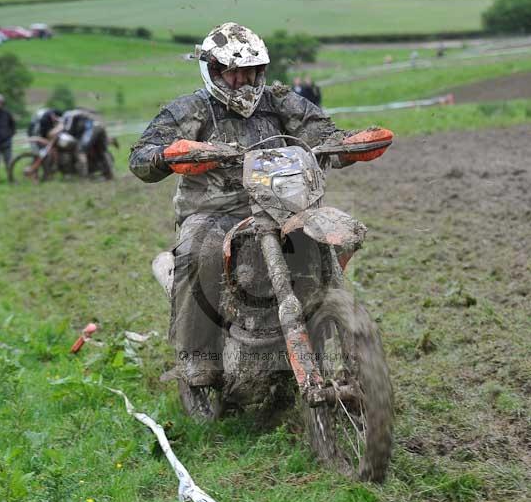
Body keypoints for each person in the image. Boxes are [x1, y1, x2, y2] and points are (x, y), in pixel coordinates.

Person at [129, 22, 381, 388]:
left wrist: (351, 143)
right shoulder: (191, 109)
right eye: (235, 73)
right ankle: (199, 354)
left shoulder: (281, 101)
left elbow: (321, 133)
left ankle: (331, 316)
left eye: (252, 71)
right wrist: (169, 155)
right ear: (214, 71)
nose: (244, 81)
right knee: (203, 251)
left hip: (286, 204)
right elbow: (140, 157)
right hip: (215, 212)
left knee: (340, 233)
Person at [0, 94, 16, 173]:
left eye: (0, 102)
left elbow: (13, 125)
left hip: (6, 142)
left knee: (9, 162)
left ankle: (11, 179)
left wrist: (10, 135)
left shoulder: (7, 113)